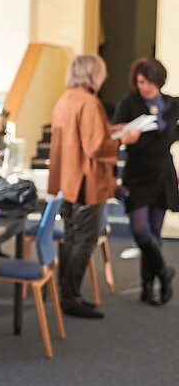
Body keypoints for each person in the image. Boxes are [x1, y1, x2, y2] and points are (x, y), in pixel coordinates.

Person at [47, 53, 141, 319]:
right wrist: (125, 139)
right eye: (101, 74)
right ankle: (70, 297)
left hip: (67, 182)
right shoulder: (89, 103)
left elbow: (81, 138)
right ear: (91, 74)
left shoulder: (65, 99)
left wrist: (112, 130)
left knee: (71, 239)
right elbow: (95, 146)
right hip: (86, 184)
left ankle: (66, 293)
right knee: (84, 241)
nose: (103, 79)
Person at [112, 57, 177, 305]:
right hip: (137, 173)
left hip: (162, 172)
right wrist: (125, 136)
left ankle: (147, 287)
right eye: (141, 82)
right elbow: (113, 132)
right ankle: (164, 272)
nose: (145, 87)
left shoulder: (171, 105)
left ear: (159, 82)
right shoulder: (129, 102)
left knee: (155, 232)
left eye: (150, 82)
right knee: (141, 231)